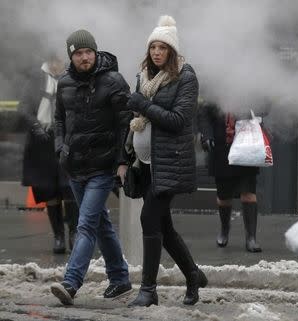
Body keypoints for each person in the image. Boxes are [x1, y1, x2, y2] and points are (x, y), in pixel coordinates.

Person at [124, 15, 207, 307]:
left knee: (149, 219)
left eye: (162, 47)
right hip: (144, 163)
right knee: (165, 228)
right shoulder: (142, 77)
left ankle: (148, 290)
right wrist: (125, 158)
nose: (156, 52)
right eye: (153, 47)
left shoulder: (186, 77)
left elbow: (178, 120)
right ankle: (193, 275)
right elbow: (134, 120)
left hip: (170, 163)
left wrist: (144, 104)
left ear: (172, 51)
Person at [50, 29, 133, 305]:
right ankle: (120, 279)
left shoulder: (113, 81)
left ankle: (71, 283)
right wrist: (60, 147)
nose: (84, 57)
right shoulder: (64, 84)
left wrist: (122, 160)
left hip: (103, 166)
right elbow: (59, 118)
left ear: (95, 52)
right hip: (75, 166)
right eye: (78, 53)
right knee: (101, 225)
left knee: (85, 224)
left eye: (88, 52)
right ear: (71, 56)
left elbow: (126, 124)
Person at [18, 52, 79, 254]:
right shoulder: (37, 78)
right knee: (48, 189)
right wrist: (35, 127)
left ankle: (73, 233)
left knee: (68, 187)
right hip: (41, 142)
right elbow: (24, 108)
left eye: (59, 61)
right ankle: (59, 237)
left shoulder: (72, 78)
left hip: (66, 140)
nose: (56, 65)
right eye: (53, 61)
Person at [197, 101, 262, 252]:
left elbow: (265, 105)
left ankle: (251, 238)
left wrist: (254, 109)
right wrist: (206, 135)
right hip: (221, 147)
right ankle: (224, 230)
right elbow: (204, 113)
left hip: (247, 146)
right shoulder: (216, 86)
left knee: (249, 193)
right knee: (224, 196)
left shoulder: (254, 84)